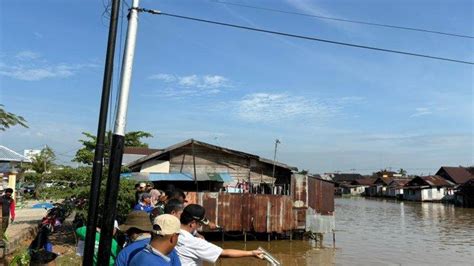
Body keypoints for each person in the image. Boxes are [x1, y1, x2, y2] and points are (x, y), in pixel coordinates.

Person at [176, 204, 263, 265]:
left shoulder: (172, 232)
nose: (199, 226)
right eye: (199, 224)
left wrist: (198, 233)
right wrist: (251, 253)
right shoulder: (194, 242)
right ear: (192, 223)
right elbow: (224, 253)